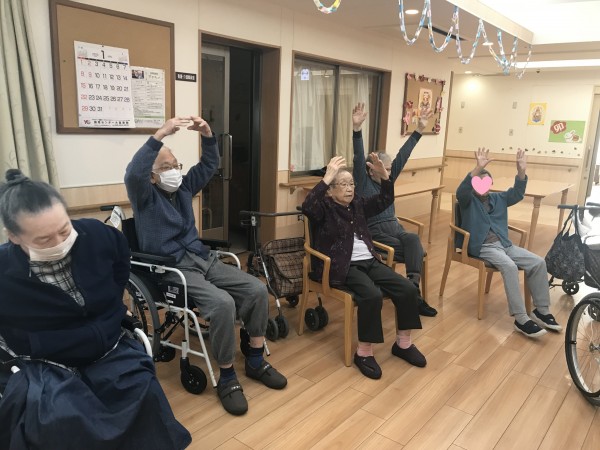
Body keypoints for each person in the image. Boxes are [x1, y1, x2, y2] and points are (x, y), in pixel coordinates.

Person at [0, 169, 191, 449]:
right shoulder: (4, 270)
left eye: (64, 230)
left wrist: (112, 303)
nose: (60, 244)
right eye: (44, 240)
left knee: (142, 388)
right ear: (14, 237)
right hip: (47, 360)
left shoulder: (96, 234)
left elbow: (121, 263)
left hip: (107, 343)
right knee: (61, 419)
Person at [124, 116, 287, 416]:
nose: (174, 171)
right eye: (166, 167)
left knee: (255, 289)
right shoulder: (144, 196)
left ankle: (255, 359)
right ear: (152, 177)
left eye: (176, 165)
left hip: (202, 258)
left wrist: (209, 136)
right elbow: (133, 173)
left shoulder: (184, 188)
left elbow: (210, 165)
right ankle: (226, 375)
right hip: (173, 268)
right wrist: (159, 135)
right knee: (222, 304)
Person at [302, 155, 426, 379]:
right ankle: (364, 353)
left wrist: (385, 177)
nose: (350, 188)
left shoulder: (357, 204)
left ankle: (403, 344)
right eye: (343, 184)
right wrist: (327, 177)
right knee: (371, 295)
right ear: (331, 190)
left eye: (351, 184)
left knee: (407, 288)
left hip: (369, 259)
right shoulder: (324, 208)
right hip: (342, 265)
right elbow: (307, 207)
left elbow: (384, 200)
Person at [456, 148, 562, 337]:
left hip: (506, 245)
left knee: (538, 262)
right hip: (483, 247)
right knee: (510, 267)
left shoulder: (499, 198)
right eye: (477, 181)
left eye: (486, 181)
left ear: (491, 184)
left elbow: (518, 193)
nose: (482, 186)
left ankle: (542, 311)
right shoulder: (468, 201)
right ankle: (520, 318)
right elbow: (460, 191)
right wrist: (477, 168)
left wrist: (521, 171)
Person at [352, 102, 437, 317]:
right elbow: (358, 156)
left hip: (396, 228)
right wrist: (357, 130)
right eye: (383, 169)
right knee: (416, 252)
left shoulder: (388, 179)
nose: (388, 173)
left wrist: (419, 129)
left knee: (413, 239)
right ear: (371, 169)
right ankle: (414, 297)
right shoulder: (362, 182)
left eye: (389, 169)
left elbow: (403, 154)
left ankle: (412, 289)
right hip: (376, 232)